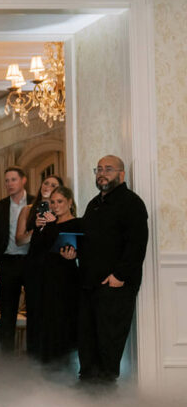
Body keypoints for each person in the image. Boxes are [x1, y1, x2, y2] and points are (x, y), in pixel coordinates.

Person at [73, 156, 148, 384]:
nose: (102, 174)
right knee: (87, 335)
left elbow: (137, 244)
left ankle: (105, 387)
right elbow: (87, 238)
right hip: (89, 282)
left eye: (108, 169)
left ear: (121, 174)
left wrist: (120, 275)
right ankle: (87, 381)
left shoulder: (132, 203)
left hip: (115, 283)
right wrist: (73, 252)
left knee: (109, 337)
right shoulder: (94, 204)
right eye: (98, 169)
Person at [27, 185, 80, 367]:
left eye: (60, 201)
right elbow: (35, 251)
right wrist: (38, 228)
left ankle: (64, 362)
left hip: (66, 278)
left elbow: (81, 249)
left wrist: (74, 255)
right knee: (46, 318)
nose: (56, 206)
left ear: (69, 202)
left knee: (63, 318)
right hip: (44, 278)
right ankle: (46, 362)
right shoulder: (47, 223)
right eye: (52, 202)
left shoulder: (77, 223)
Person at [17, 174, 63, 358]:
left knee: (53, 311)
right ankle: (34, 354)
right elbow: (19, 240)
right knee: (34, 310)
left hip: (55, 265)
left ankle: (53, 355)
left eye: (53, 184)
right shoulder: (27, 210)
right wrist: (35, 228)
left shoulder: (62, 209)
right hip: (34, 265)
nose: (48, 186)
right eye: (46, 183)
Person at [0, 166, 29, 354]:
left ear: (24, 180)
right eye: (7, 180)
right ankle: (7, 358)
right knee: (8, 311)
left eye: (13, 179)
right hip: (7, 262)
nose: (9, 184)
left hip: (31, 262)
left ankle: (33, 355)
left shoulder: (35, 202)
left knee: (35, 309)